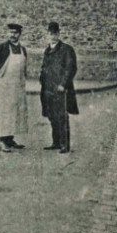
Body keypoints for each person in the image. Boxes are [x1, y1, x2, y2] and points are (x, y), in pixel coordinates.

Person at [0, 22, 29, 153]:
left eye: (15, 33)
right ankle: (3, 141)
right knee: (4, 113)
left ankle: (10, 139)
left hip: (17, 86)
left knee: (15, 112)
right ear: (8, 33)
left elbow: (24, 68)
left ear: (20, 34)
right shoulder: (1, 48)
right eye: (11, 32)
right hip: (4, 86)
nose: (13, 35)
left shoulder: (23, 50)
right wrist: (0, 78)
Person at [40, 21, 78, 153]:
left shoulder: (67, 49)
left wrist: (63, 84)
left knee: (62, 117)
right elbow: (44, 68)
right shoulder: (47, 50)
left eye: (55, 33)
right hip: (48, 89)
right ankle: (56, 142)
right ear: (47, 35)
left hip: (61, 90)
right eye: (50, 34)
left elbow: (70, 68)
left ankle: (64, 145)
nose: (52, 36)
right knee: (52, 116)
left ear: (58, 34)